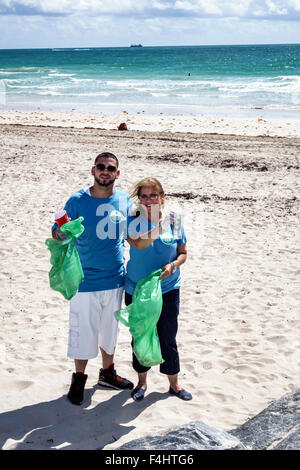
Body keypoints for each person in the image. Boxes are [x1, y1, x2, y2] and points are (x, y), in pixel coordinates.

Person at [52, 152, 134, 405]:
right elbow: (58, 231)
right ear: (93, 170)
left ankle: (107, 374)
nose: (105, 171)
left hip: (115, 278)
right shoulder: (77, 200)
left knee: (109, 331)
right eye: (101, 166)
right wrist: (59, 232)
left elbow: (133, 233)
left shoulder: (124, 200)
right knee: (82, 331)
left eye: (110, 168)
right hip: (84, 280)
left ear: (117, 174)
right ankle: (79, 377)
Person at [125, 177, 192, 402]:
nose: (148, 200)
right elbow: (138, 244)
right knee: (140, 336)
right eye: (143, 196)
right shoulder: (132, 219)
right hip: (137, 288)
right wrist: (160, 225)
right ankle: (142, 383)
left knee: (167, 337)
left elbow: (183, 253)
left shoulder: (175, 220)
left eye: (153, 195)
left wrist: (173, 265)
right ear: (139, 199)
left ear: (162, 197)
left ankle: (174, 384)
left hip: (168, 289)